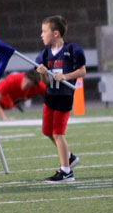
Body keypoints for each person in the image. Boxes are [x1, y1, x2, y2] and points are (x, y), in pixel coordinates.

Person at [36, 15, 87, 183]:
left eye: (44, 31)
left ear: (55, 33)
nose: (41, 35)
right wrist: (43, 74)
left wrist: (65, 76)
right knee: (47, 131)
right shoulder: (44, 54)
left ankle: (66, 171)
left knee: (58, 133)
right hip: (50, 95)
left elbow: (82, 71)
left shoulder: (72, 50)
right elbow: (45, 83)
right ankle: (69, 157)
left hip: (64, 96)